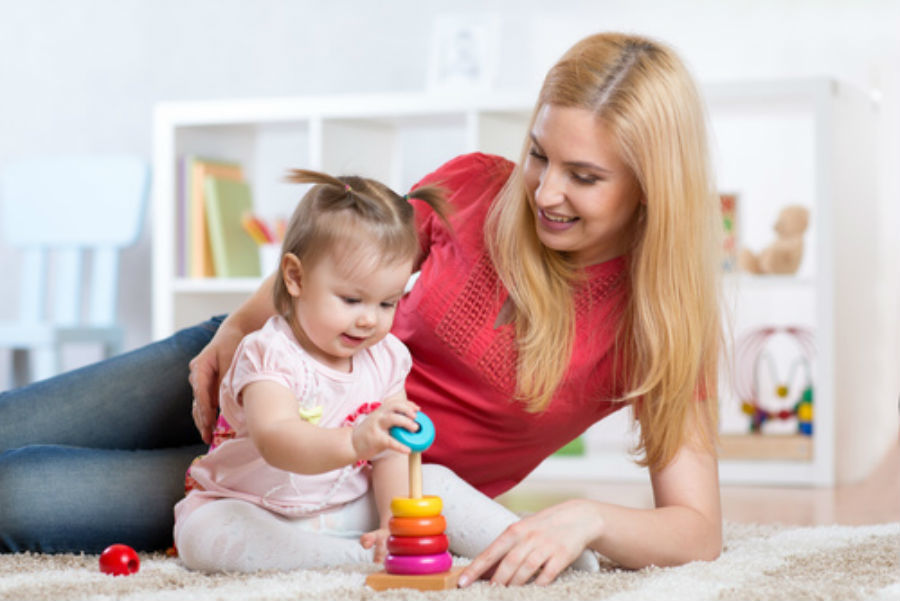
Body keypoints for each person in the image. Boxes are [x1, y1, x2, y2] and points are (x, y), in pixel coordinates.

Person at [0, 32, 723, 587]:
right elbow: (339, 255)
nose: (543, 192)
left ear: (652, 189)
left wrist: (587, 515)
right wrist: (232, 330)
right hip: (263, 367)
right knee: (15, 423)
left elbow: (697, 528)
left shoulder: (655, 326)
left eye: (585, 176)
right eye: (539, 155)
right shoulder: (473, 188)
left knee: (20, 493)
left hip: (332, 484)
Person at [173, 170, 438, 571]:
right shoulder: (269, 353)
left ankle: (520, 546)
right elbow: (276, 439)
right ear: (295, 277)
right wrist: (355, 442)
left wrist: (393, 523)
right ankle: (354, 559)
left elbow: (390, 454)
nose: (370, 320)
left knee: (435, 485)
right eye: (351, 299)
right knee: (207, 535)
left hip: (340, 507)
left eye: (387, 303)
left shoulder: (387, 357)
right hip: (252, 507)